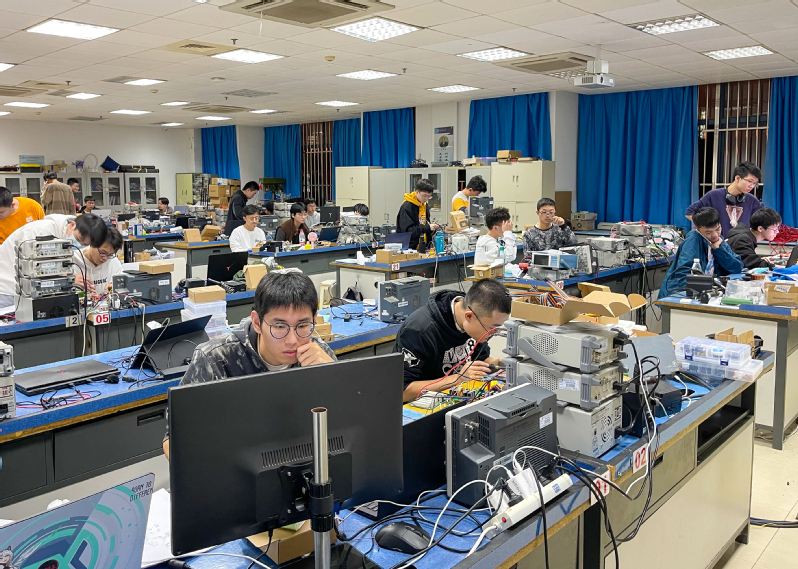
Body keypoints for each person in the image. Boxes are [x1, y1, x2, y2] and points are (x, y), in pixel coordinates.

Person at [163, 271, 336, 458]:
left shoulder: (319, 356)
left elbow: (348, 424)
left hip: (301, 464)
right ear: (257, 322)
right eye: (279, 327)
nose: (292, 340)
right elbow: (172, 441)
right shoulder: (215, 359)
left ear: (314, 319)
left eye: (302, 326)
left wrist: (334, 375)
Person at [394, 279, 512, 402]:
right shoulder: (419, 330)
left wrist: (499, 363)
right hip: (422, 405)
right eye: (492, 328)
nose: (494, 333)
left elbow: (480, 360)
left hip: (456, 396)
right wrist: (457, 379)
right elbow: (402, 392)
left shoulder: (474, 321)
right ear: (469, 316)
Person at [0, 213, 108, 305]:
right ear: (72, 225)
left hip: (30, 292)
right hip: (8, 290)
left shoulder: (64, 236)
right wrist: (69, 279)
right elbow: (33, 269)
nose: (79, 244)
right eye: (79, 239)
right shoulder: (40, 231)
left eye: (84, 244)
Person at [659, 207, 744, 298]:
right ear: (697, 228)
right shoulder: (692, 241)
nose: (715, 235)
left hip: (707, 292)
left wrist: (718, 249)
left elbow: (737, 267)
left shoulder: (718, 240)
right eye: (708, 232)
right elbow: (683, 276)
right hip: (678, 294)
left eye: (718, 229)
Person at [686, 162, 763, 238]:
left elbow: (765, 221)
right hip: (717, 244)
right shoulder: (714, 195)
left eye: (754, 183)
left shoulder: (752, 200)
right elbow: (689, 212)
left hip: (742, 244)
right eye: (750, 181)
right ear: (737, 178)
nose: (752, 186)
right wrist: (707, 229)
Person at [73, 226, 123, 293]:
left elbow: (122, 287)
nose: (105, 258)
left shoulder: (113, 262)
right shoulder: (73, 260)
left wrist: (115, 288)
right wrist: (69, 281)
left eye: (110, 254)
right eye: (103, 252)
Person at [397, 179, 441, 251]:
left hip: (423, 247)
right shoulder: (407, 207)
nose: (426, 199)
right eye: (424, 196)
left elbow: (425, 224)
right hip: (409, 248)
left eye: (429, 196)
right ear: (417, 192)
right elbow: (409, 231)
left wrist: (433, 229)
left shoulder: (425, 205)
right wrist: (427, 227)